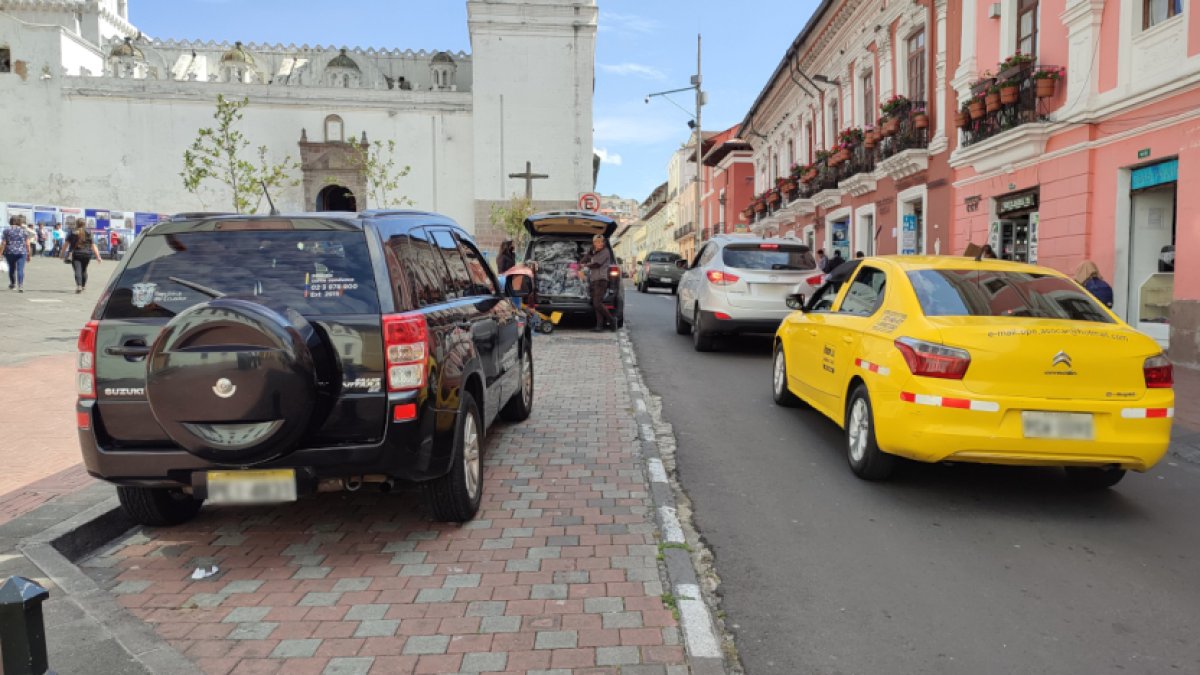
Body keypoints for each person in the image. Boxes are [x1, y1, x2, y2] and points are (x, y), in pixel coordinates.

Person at [581, 234, 615, 332]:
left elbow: (596, 264)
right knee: (596, 304)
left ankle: (612, 321)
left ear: (603, 242)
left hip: (601, 280)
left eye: (600, 242)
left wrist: (585, 266)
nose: (599, 243)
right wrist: (579, 264)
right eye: (596, 242)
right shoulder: (593, 251)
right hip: (594, 280)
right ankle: (599, 326)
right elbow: (586, 258)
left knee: (597, 303)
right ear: (594, 243)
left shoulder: (605, 252)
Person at [63, 222, 102, 293]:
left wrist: (62, 253)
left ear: (76, 224)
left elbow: (66, 244)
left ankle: (79, 285)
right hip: (87, 254)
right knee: (84, 270)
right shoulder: (89, 232)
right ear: (84, 224)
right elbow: (93, 245)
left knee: (77, 270)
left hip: (76, 254)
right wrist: (98, 257)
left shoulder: (72, 232)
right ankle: (83, 286)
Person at [3, 216, 32, 292]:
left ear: (10, 221)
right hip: (22, 252)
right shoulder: (24, 231)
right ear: (19, 222)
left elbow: (3, 243)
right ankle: (20, 286)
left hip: (9, 252)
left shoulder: (6, 230)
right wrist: (29, 254)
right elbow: (28, 244)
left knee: (12, 268)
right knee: (20, 269)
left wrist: (0, 253)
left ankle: (12, 284)